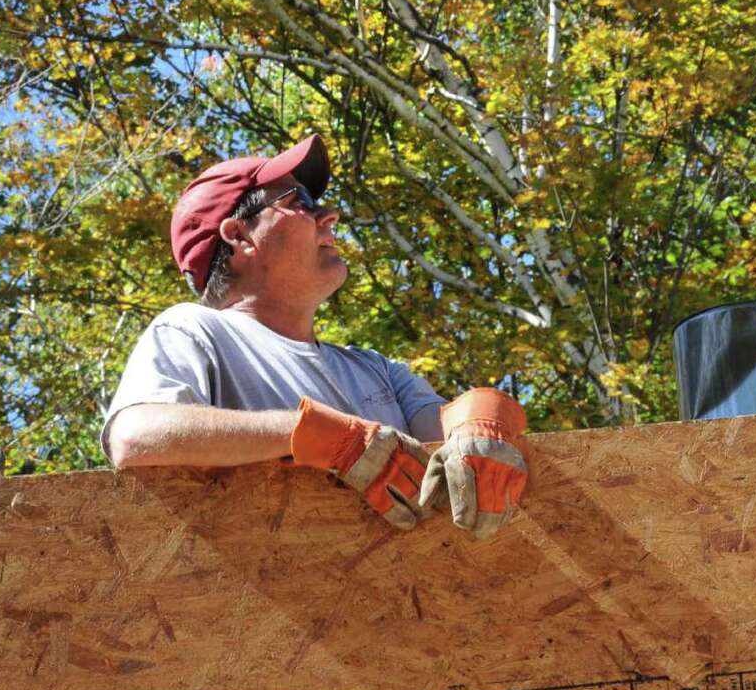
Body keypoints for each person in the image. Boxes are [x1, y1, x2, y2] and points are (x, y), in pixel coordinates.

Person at [104, 133, 527, 538]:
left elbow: (441, 428)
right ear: (239, 235)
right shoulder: (194, 330)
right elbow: (135, 435)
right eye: (301, 202)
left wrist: (482, 419)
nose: (329, 216)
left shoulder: (374, 368)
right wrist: (316, 436)